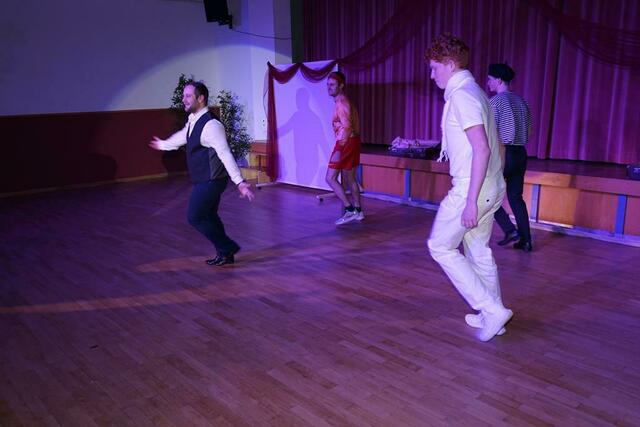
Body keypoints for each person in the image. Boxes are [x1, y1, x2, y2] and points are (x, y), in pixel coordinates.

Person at [425, 34, 513, 341]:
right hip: (489, 185)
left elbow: (482, 148)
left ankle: (491, 309)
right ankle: (494, 316)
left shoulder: (462, 96)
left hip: (471, 188)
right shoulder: (476, 93)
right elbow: (498, 144)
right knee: (477, 250)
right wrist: (496, 185)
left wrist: (472, 200)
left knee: (440, 246)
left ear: (450, 64)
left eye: (435, 67)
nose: (432, 74)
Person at [149, 81, 254, 266]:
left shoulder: (211, 125)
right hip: (204, 179)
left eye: (188, 96)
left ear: (201, 98)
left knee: (195, 216)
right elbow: (183, 136)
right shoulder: (194, 119)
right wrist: (163, 144)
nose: (184, 100)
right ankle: (225, 254)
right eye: (183, 96)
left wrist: (239, 182)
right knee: (209, 215)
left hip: (212, 180)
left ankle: (228, 247)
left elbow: (225, 154)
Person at [487, 63, 533, 252]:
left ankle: (509, 230)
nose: (488, 83)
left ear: (499, 80)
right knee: (516, 197)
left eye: (490, 79)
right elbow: (529, 131)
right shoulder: (522, 101)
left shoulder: (495, 102)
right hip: (520, 153)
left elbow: (490, 133)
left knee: (486, 194)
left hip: (503, 153)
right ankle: (526, 240)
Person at [325, 71, 364, 225]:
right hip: (352, 141)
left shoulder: (341, 103)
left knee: (330, 178)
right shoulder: (343, 101)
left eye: (332, 85)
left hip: (345, 142)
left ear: (341, 86)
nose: (329, 87)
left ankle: (349, 209)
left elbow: (347, 127)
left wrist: (340, 149)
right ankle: (358, 211)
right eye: (328, 85)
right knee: (350, 178)